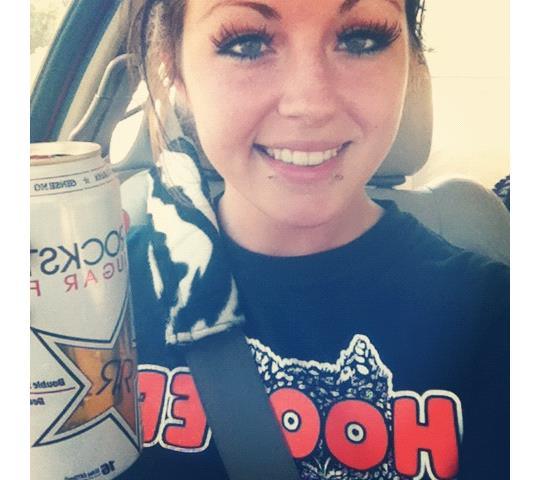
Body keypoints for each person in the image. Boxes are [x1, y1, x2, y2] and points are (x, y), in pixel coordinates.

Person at [119, 0, 509, 478]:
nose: (312, 104)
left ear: (410, 64)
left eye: (361, 39)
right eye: (247, 44)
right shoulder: (101, 302)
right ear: (175, 72)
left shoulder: (496, 318)